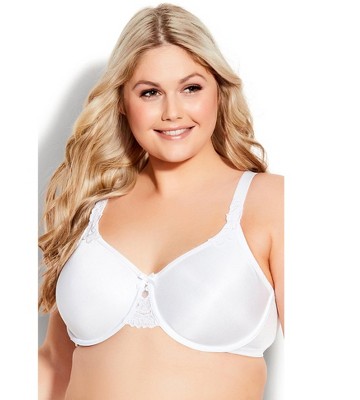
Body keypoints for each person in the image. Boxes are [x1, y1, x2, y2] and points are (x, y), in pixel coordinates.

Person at [38, 3, 284, 399]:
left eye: (191, 88)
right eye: (150, 92)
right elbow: (54, 364)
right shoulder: (90, 207)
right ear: (122, 101)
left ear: (219, 92)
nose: (172, 112)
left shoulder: (270, 202)